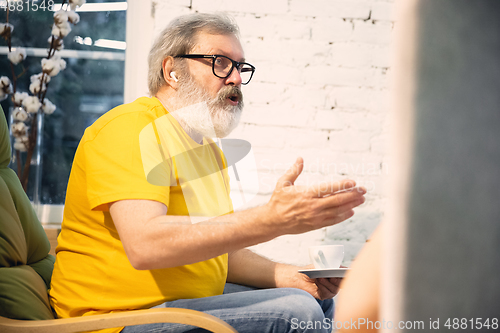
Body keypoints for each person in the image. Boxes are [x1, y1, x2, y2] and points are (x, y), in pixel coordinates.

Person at [49, 12, 367, 333]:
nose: (236, 78)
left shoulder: (207, 149)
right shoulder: (132, 129)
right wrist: (273, 219)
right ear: (172, 71)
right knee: (295, 311)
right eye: (221, 63)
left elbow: (219, 251)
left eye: (239, 66)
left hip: (182, 305)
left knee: (316, 300)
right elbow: (145, 245)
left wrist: (290, 274)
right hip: (114, 318)